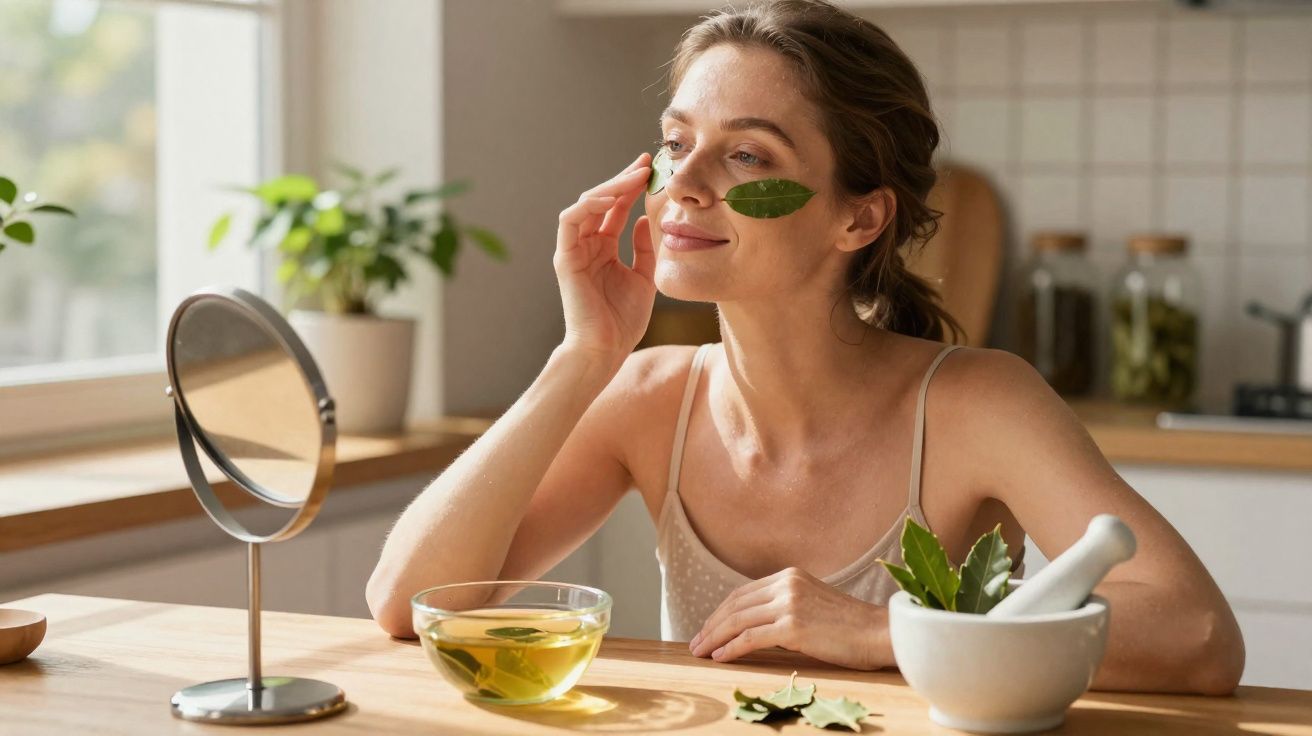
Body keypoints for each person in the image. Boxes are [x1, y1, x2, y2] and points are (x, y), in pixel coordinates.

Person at [367, 0, 1243, 694]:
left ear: (858, 217)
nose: (686, 186)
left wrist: (881, 632)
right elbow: (406, 605)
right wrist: (584, 354)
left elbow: (1198, 635)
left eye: (746, 155)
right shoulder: (645, 398)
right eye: (677, 145)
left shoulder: (978, 404)